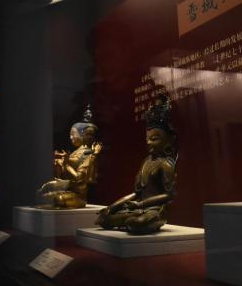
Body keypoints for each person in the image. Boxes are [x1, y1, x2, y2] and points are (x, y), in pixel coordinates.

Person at [96, 94, 177, 234]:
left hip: (154, 209)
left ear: (168, 140)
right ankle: (129, 221)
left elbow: (169, 195)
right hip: (137, 207)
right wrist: (112, 207)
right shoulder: (146, 162)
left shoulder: (166, 164)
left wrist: (141, 204)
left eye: (154, 139)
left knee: (137, 223)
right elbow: (136, 193)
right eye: (147, 139)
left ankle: (133, 222)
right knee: (104, 219)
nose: (149, 142)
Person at [37, 106, 102, 208]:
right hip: (68, 190)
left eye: (73, 134)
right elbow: (65, 174)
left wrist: (66, 164)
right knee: (44, 195)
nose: (71, 137)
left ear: (83, 135)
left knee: (57, 199)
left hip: (79, 196)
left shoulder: (88, 154)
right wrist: (59, 164)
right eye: (70, 134)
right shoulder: (75, 153)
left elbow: (79, 178)